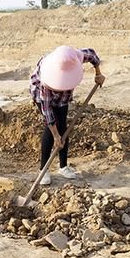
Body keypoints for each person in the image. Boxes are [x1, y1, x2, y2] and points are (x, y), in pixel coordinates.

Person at [29, 45, 105, 185]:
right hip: (43, 95)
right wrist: (56, 135)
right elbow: (47, 113)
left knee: (63, 126)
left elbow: (93, 55)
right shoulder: (45, 76)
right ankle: (43, 170)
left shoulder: (74, 57)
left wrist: (98, 74)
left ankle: (63, 167)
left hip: (64, 96)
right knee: (51, 129)